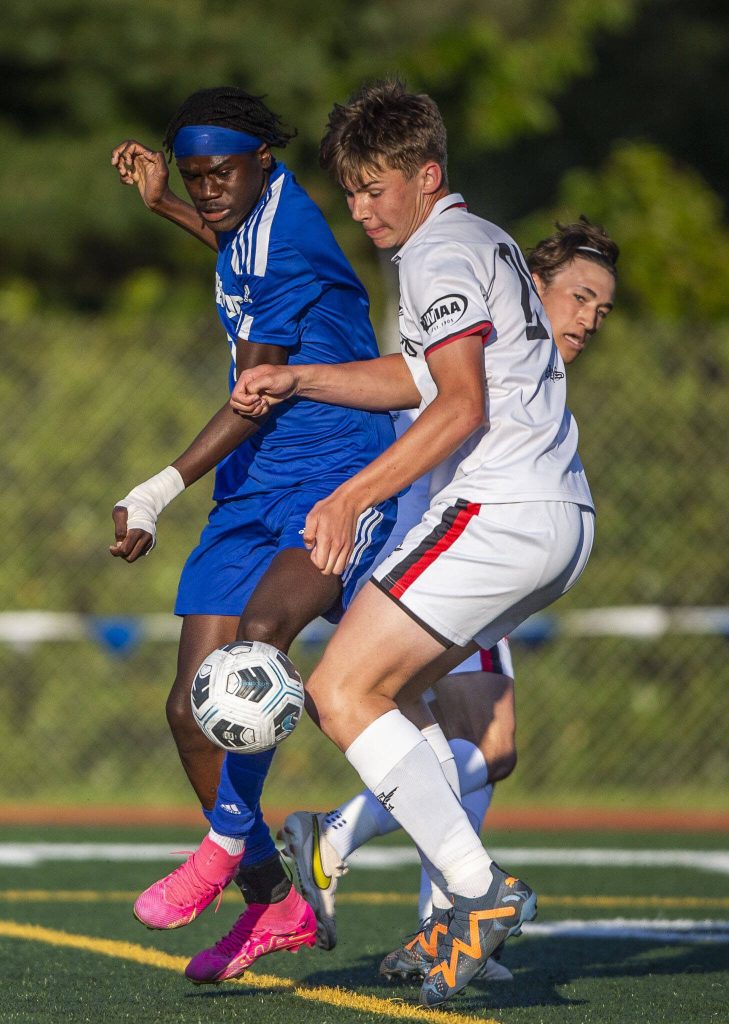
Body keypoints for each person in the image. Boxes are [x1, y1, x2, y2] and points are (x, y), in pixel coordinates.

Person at [231, 80, 596, 1007]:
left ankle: (472, 895)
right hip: (552, 516)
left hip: (499, 510)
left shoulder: (435, 253)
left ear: (426, 175)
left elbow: (462, 406)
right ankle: (416, 886)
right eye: (348, 192)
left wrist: (353, 495)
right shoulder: (481, 240)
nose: (360, 209)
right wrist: (305, 380)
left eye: (373, 188)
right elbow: (420, 380)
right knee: (401, 701)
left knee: (339, 688)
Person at [278, 216, 618, 982]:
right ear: (531, 287)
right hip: (447, 547)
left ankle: (432, 901)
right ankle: (414, 880)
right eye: (580, 297)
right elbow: (427, 396)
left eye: (602, 308)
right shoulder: (468, 319)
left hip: (469, 545)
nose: (589, 318)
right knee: (409, 716)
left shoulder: (514, 353)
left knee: (474, 743)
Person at [108, 86, 397, 982]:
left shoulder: (293, 237)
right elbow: (237, 255)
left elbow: (250, 394)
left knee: (257, 649)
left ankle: (222, 848)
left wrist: (156, 491)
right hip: (253, 484)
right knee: (191, 707)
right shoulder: (252, 224)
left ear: (263, 161)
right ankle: (275, 906)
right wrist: (161, 205)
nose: (207, 191)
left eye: (218, 175)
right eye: (193, 179)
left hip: (334, 475)